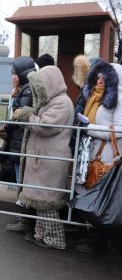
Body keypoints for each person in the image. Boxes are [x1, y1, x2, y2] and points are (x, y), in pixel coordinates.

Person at [14, 65, 74, 250]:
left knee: (47, 204)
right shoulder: (52, 102)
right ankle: (42, 235)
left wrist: (26, 115)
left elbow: (44, 127)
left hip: (50, 160)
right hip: (44, 158)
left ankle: (55, 239)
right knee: (41, 202)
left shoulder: (62, 103)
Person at [73, 60, 122, 253]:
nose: (100, 80)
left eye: (105, 77)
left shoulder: (118, 98)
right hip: (93, 154)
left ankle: (98, 242)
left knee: (102, 198)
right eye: (98, 76)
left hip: (108, 157)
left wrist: (89, 128)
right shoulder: (95, 96)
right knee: (91, 193)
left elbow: (119, 129)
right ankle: (92, 237)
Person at [0, 56, 36, 232]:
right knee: (20, 181)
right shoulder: (24, 88)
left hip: (20, 143)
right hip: (18, 142)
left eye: (15, 73)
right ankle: (23, 218)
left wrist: (5, 126)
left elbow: (21, 116)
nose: (13, 76)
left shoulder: (27, 90)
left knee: (22, 183)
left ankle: (24, 220)